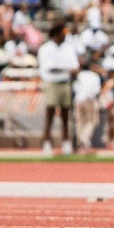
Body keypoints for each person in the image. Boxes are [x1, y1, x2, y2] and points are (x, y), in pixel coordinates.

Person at [37, 21, 78, 153]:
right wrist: (66, 69)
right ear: (56, 34)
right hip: (52, 83)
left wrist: (64, 69)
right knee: (50, 114)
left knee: (66, 116)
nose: (65, 36)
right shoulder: (46, 48)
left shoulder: (68, 47)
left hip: (65, 83)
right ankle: (47, 143)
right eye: (63, 33)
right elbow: (49, 68)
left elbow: (74, 66)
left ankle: (66, 143)